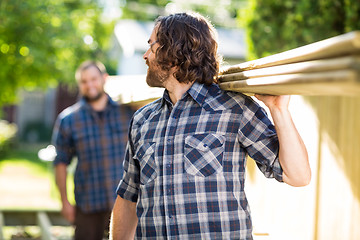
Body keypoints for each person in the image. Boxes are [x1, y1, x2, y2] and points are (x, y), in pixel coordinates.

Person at [110, 12, 311, 240]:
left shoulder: (235, 109)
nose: (145, 55)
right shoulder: (143, 120)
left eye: (152, 46)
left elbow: (298, 176)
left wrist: (279, 110)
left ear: (175, 51)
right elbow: (128, 197)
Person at [52, 60, 133, 240]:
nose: (89, 85)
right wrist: (64, 202)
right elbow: (60, 163)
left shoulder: (128, 112)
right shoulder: (68, 119)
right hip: (87, 204)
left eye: (94, 79)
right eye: (84, 81)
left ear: (104, 79)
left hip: (123, 203)